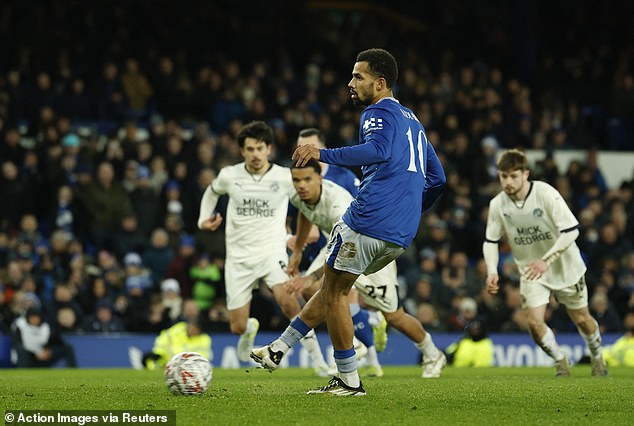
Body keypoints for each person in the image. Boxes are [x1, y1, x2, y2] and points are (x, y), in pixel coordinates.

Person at [251, 48, 446, 396]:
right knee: (333, 289)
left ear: (380, 82)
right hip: (399, 234)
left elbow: (378, 152)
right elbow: (438, 179)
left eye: (358, 76)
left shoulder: (378, 112)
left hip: (369, 218)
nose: (350, 83)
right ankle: (280, 348)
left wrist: (321, 154)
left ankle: (348, 380)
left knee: (337, 293)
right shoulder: (413, 120)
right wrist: (412, 211)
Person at [280, 159, 447, 379]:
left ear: (320, 178)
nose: (301, 185)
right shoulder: (298, 196)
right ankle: (355, 342)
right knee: (320, 291)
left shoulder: (338, 204)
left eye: (307, 179)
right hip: (344, 250)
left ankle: (433, 353)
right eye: (296, 180)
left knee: (394, 316)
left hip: (369, 253)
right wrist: (299, 250)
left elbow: (339, 251)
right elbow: (305, 214)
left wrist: (308, 276)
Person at [197, 120, 328, 375]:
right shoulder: (229, 175)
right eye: (250, 149)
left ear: (268, 148)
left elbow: (306, 203)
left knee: (290, 304)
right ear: (242, 151)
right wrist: (203, 218)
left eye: (260, 148)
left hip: (273, 252)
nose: (255, 154)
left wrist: (306, 232)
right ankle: (247, 330)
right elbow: (211, 192)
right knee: (235, 325)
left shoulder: (284, 177)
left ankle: (319, 363)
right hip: (238, 258)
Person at [483, 148, 607, 377]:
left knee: (582, 319)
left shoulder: (545, 193)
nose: (508, 182)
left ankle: (597, 354)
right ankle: (561, 360)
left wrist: (546, 260)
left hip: (564, 266)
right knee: (533, 322)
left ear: (526, 174)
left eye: (513, 176)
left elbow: (571, 231)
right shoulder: (497, 205)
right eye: (503, 176)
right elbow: (490, 241)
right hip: (532, 270)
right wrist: (492, 271)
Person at [11, 307, 77, 367]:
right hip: (29, 357)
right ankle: (23, 373)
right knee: (21, 350)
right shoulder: (20, 326)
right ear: (28, 318)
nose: (34, 320)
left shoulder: (47, 327)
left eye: (36, 317)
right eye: (32, 317)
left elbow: (58, 342)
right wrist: (36, 352)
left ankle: (73, 370)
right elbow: (17, 343)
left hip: (44, 355)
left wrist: (50, 351)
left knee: (68, 348)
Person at [142, 316, 211, 370]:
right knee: (150, 360)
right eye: (191, 326)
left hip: (189, 368)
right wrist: (158, 352)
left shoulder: (204, 339)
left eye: (195, 329)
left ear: (200, 331)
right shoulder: (177, 330)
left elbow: (203, 357)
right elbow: (164, 338)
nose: (192, 330)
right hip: (165, 364)